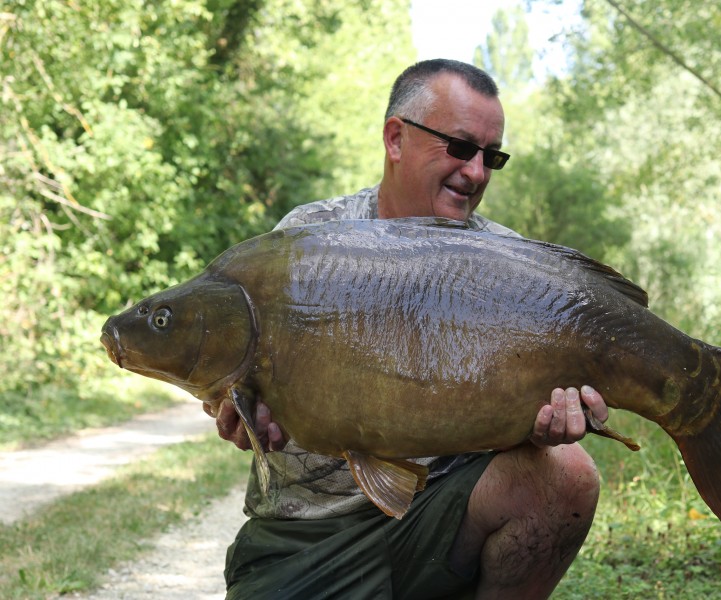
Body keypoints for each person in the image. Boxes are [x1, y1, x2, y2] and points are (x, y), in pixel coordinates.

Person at [209, 59, 608, 599]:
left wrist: (543, 425)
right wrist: (239, 416)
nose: (477, 173)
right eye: (461, 148)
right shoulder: (306, 241)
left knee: (567, 474)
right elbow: (235, 377)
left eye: (492, 157)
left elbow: (528, 417)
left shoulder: (508, 263)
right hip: (306, 536)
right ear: (396, 138)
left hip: (443, 521)